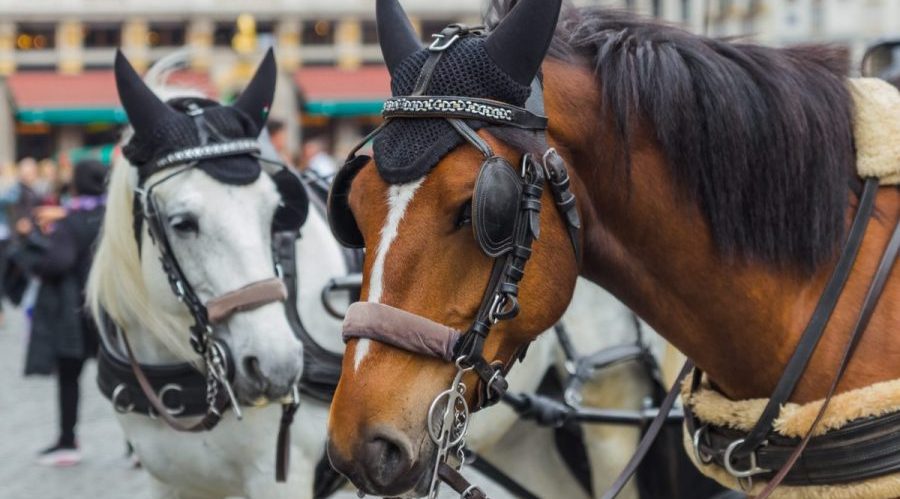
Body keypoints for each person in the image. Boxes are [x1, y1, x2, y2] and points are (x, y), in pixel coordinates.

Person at [15, 159, 107, 467]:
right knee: (123, 380)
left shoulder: (73, 221)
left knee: (69, 379)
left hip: (75, 314)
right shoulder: (112, 216)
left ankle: (68, 440)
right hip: (110, 310)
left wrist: (33, 243)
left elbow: (56, 263)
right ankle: (136, 447)